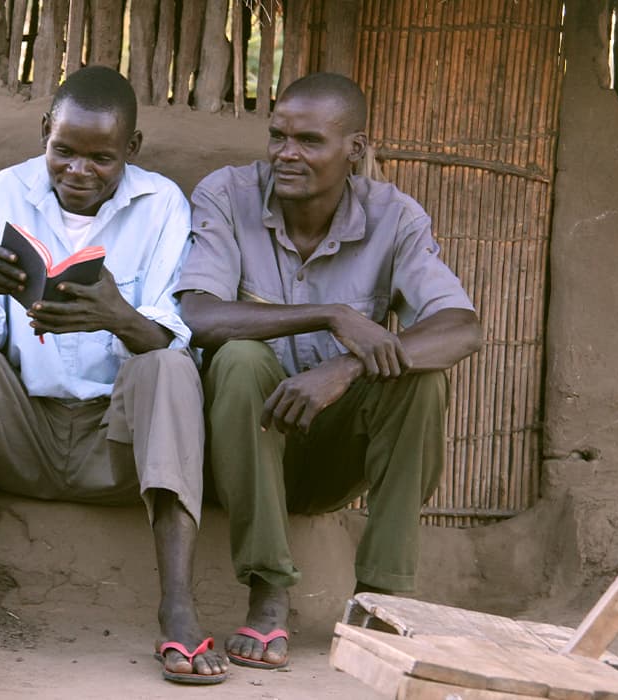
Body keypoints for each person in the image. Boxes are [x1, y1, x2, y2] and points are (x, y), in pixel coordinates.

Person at [0, 66, 228, 685]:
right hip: (22, 436)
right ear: (45, 131)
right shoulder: (5, 192)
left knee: (169, 366)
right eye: (64, 151)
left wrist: (118, 317)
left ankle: (177, 604)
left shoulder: (161, 206)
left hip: (116, 446)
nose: (79, 171)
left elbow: (176, 331)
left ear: (131, 149)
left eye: (101, 158)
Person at [177, 73, 482, 670]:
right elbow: (199, 316)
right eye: (278, 136)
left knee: (421, 378)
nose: (286, 154)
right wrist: (331, 315)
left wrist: (344, 367)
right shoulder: (227, 195)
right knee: (238, 358)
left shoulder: (394, 216)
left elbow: (462, 327)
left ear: (356, 151)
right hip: (246, 445)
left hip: (339, 453)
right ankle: (268, 592)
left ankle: (382, 598)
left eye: (309, 141)